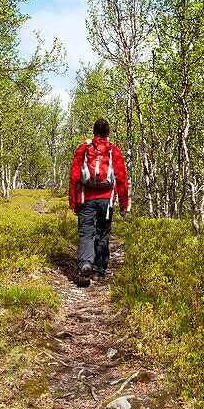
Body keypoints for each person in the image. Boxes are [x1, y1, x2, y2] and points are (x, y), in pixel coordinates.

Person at [69, 118, 128, 286]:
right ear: (108, 133)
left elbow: (74, 177)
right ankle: (98, 271)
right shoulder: (113, 151)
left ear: (94, 132)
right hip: (106, 199)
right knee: (103, 233)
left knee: (86, 233)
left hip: (85, 199)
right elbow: (121, 179)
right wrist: (123, 205)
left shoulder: (83, 150)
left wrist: (73, 202)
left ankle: (85, 263)